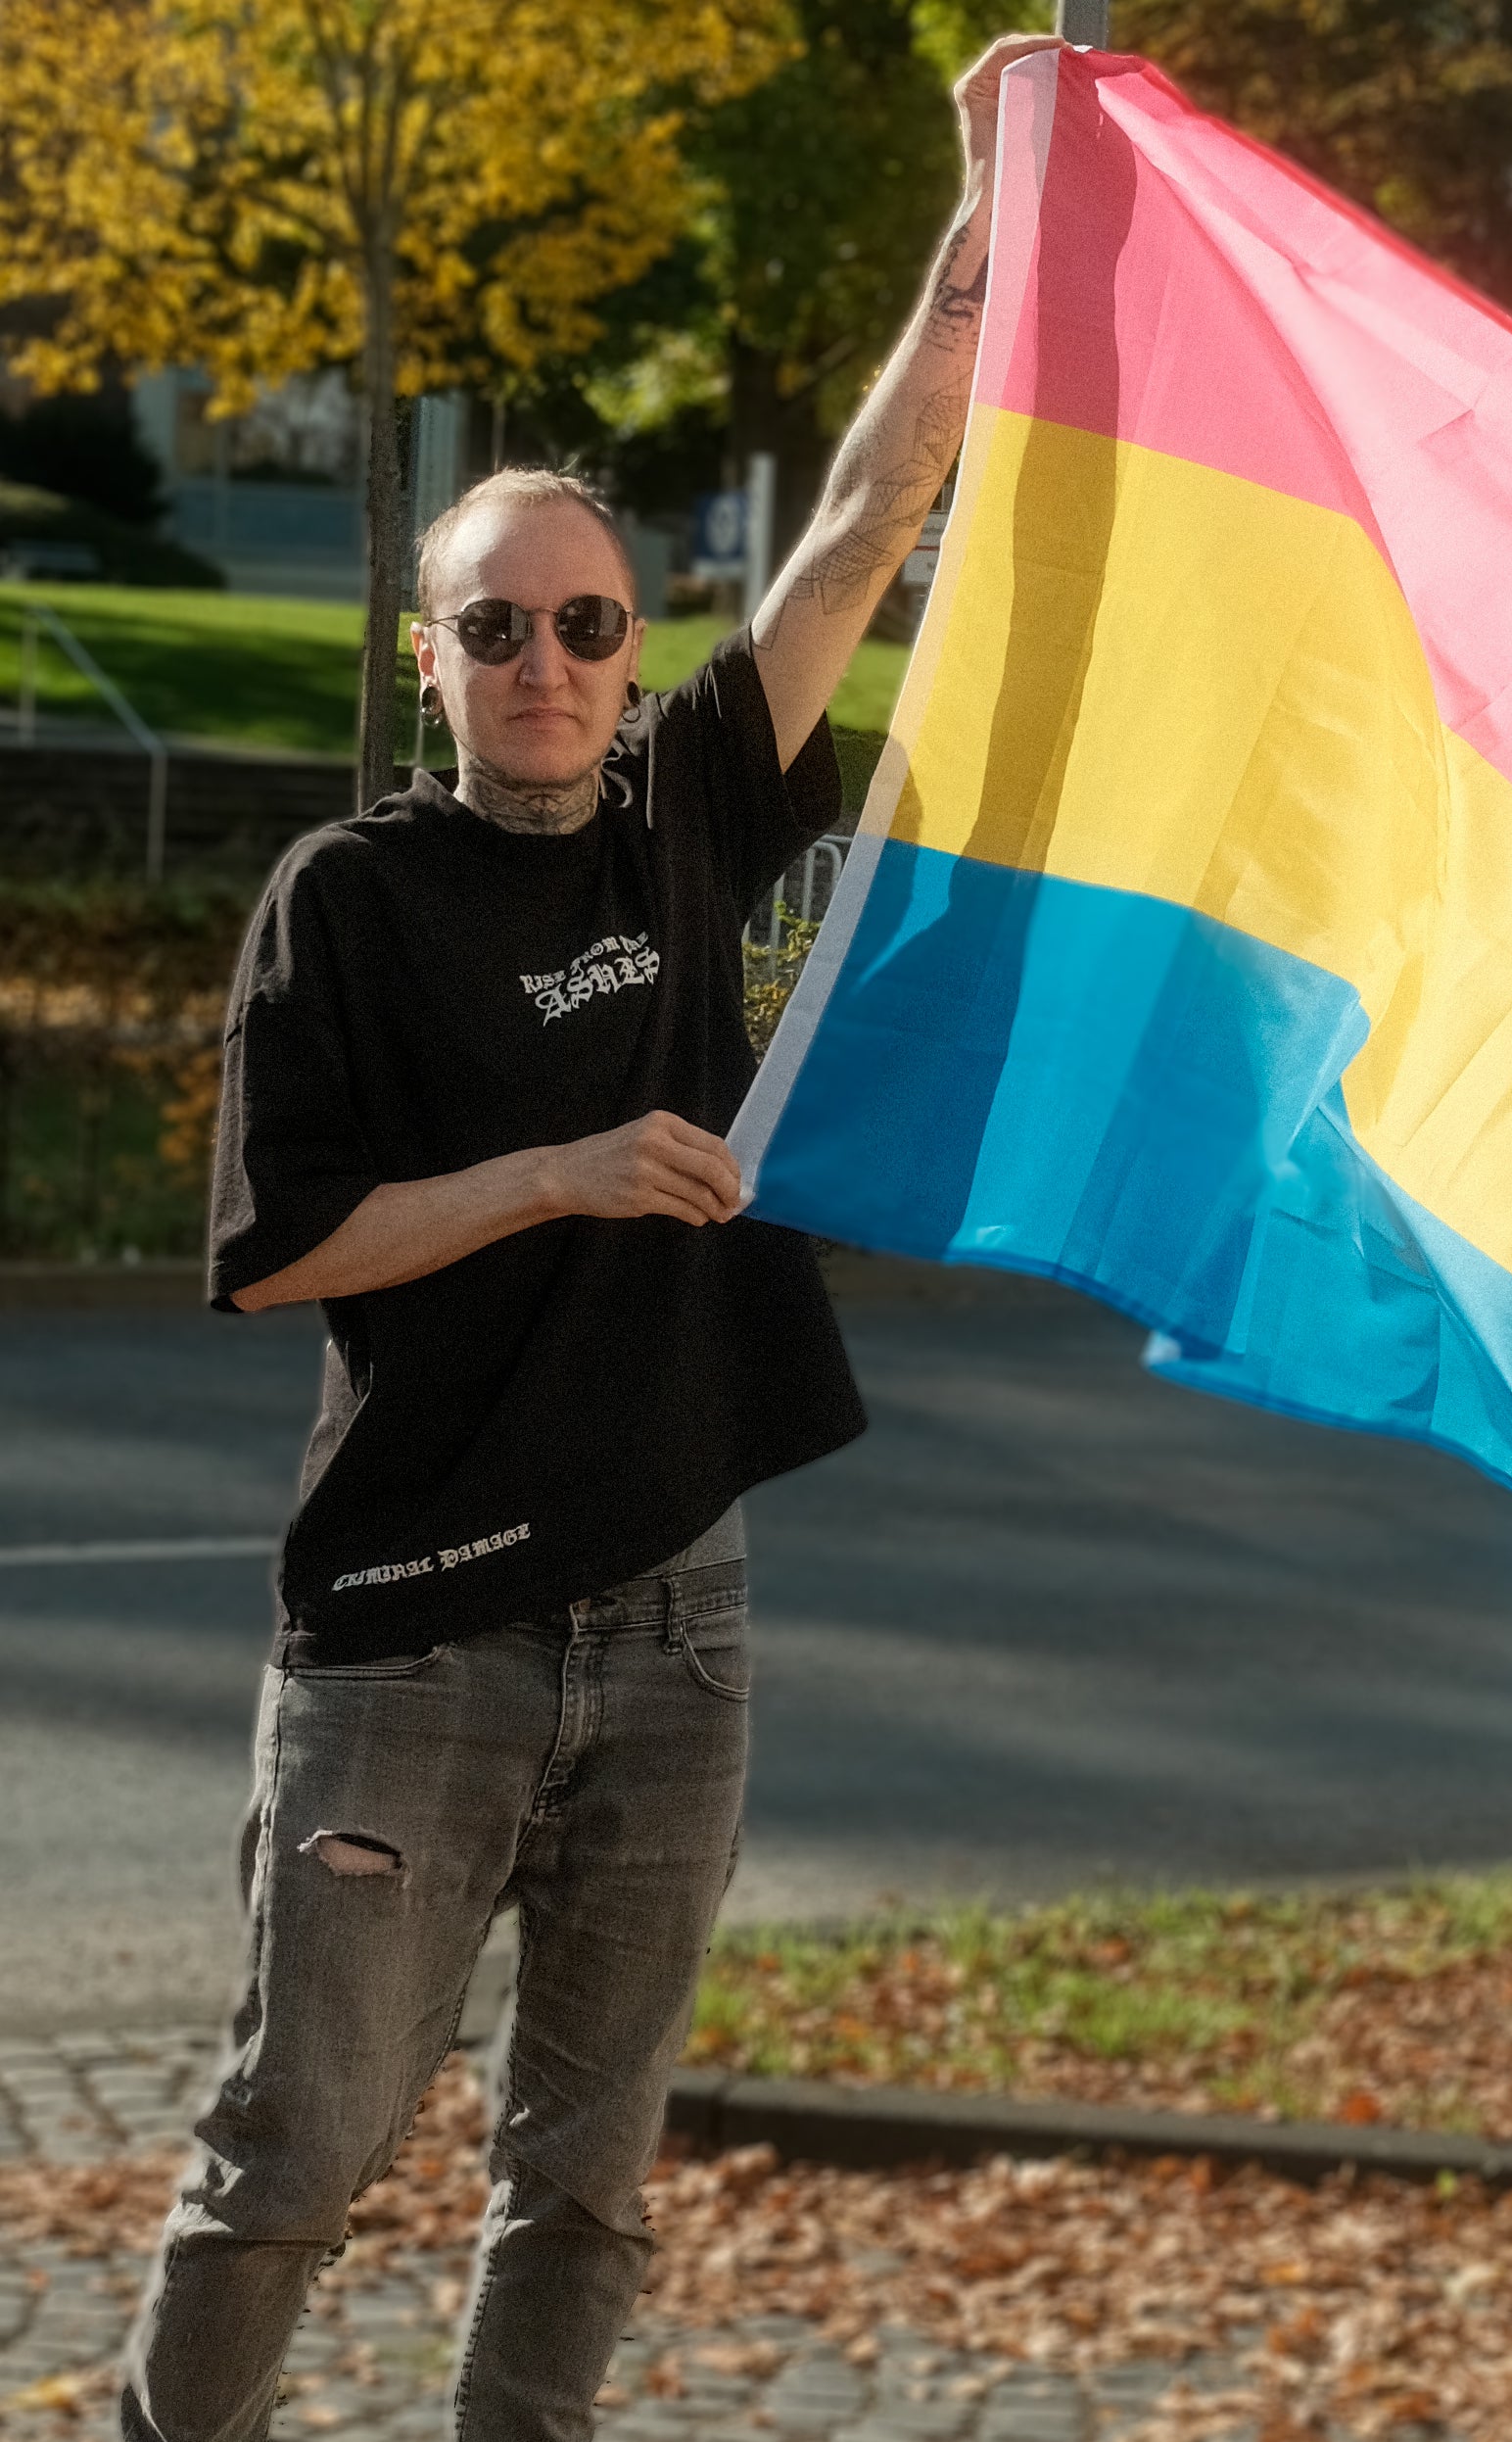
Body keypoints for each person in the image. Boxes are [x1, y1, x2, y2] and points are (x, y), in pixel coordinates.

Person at [120, 33, 1063, 2437]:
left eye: (580, 622)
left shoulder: (690, 803)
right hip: (409, 1640)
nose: (541, 664)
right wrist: (551, 1170)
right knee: (291, 2159)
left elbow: (867, 512)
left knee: (592, 2188)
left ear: (630, 644)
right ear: (432, 661)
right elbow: (274, 1253)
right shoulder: (351, 896)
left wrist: (992, 200)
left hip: (678, 1616)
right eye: (492, 629)